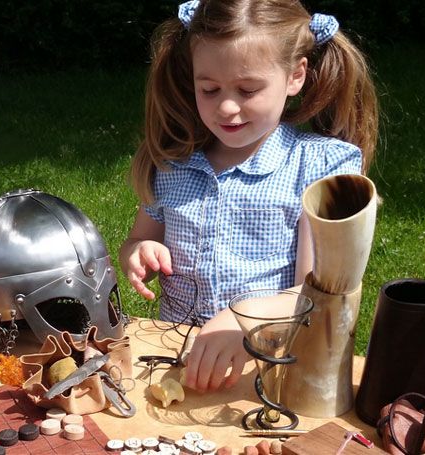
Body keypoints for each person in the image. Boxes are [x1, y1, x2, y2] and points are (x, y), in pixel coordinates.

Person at [119, 0, 378, 394]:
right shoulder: (172, 166)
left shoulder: (316, 168)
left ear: (295, 76)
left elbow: (322, 294)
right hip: (178, 361)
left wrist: (243, 319)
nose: (226, 106)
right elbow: (139, 238)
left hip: (270, 369)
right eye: (209, 89)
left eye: (247, 89)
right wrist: (141, 252)